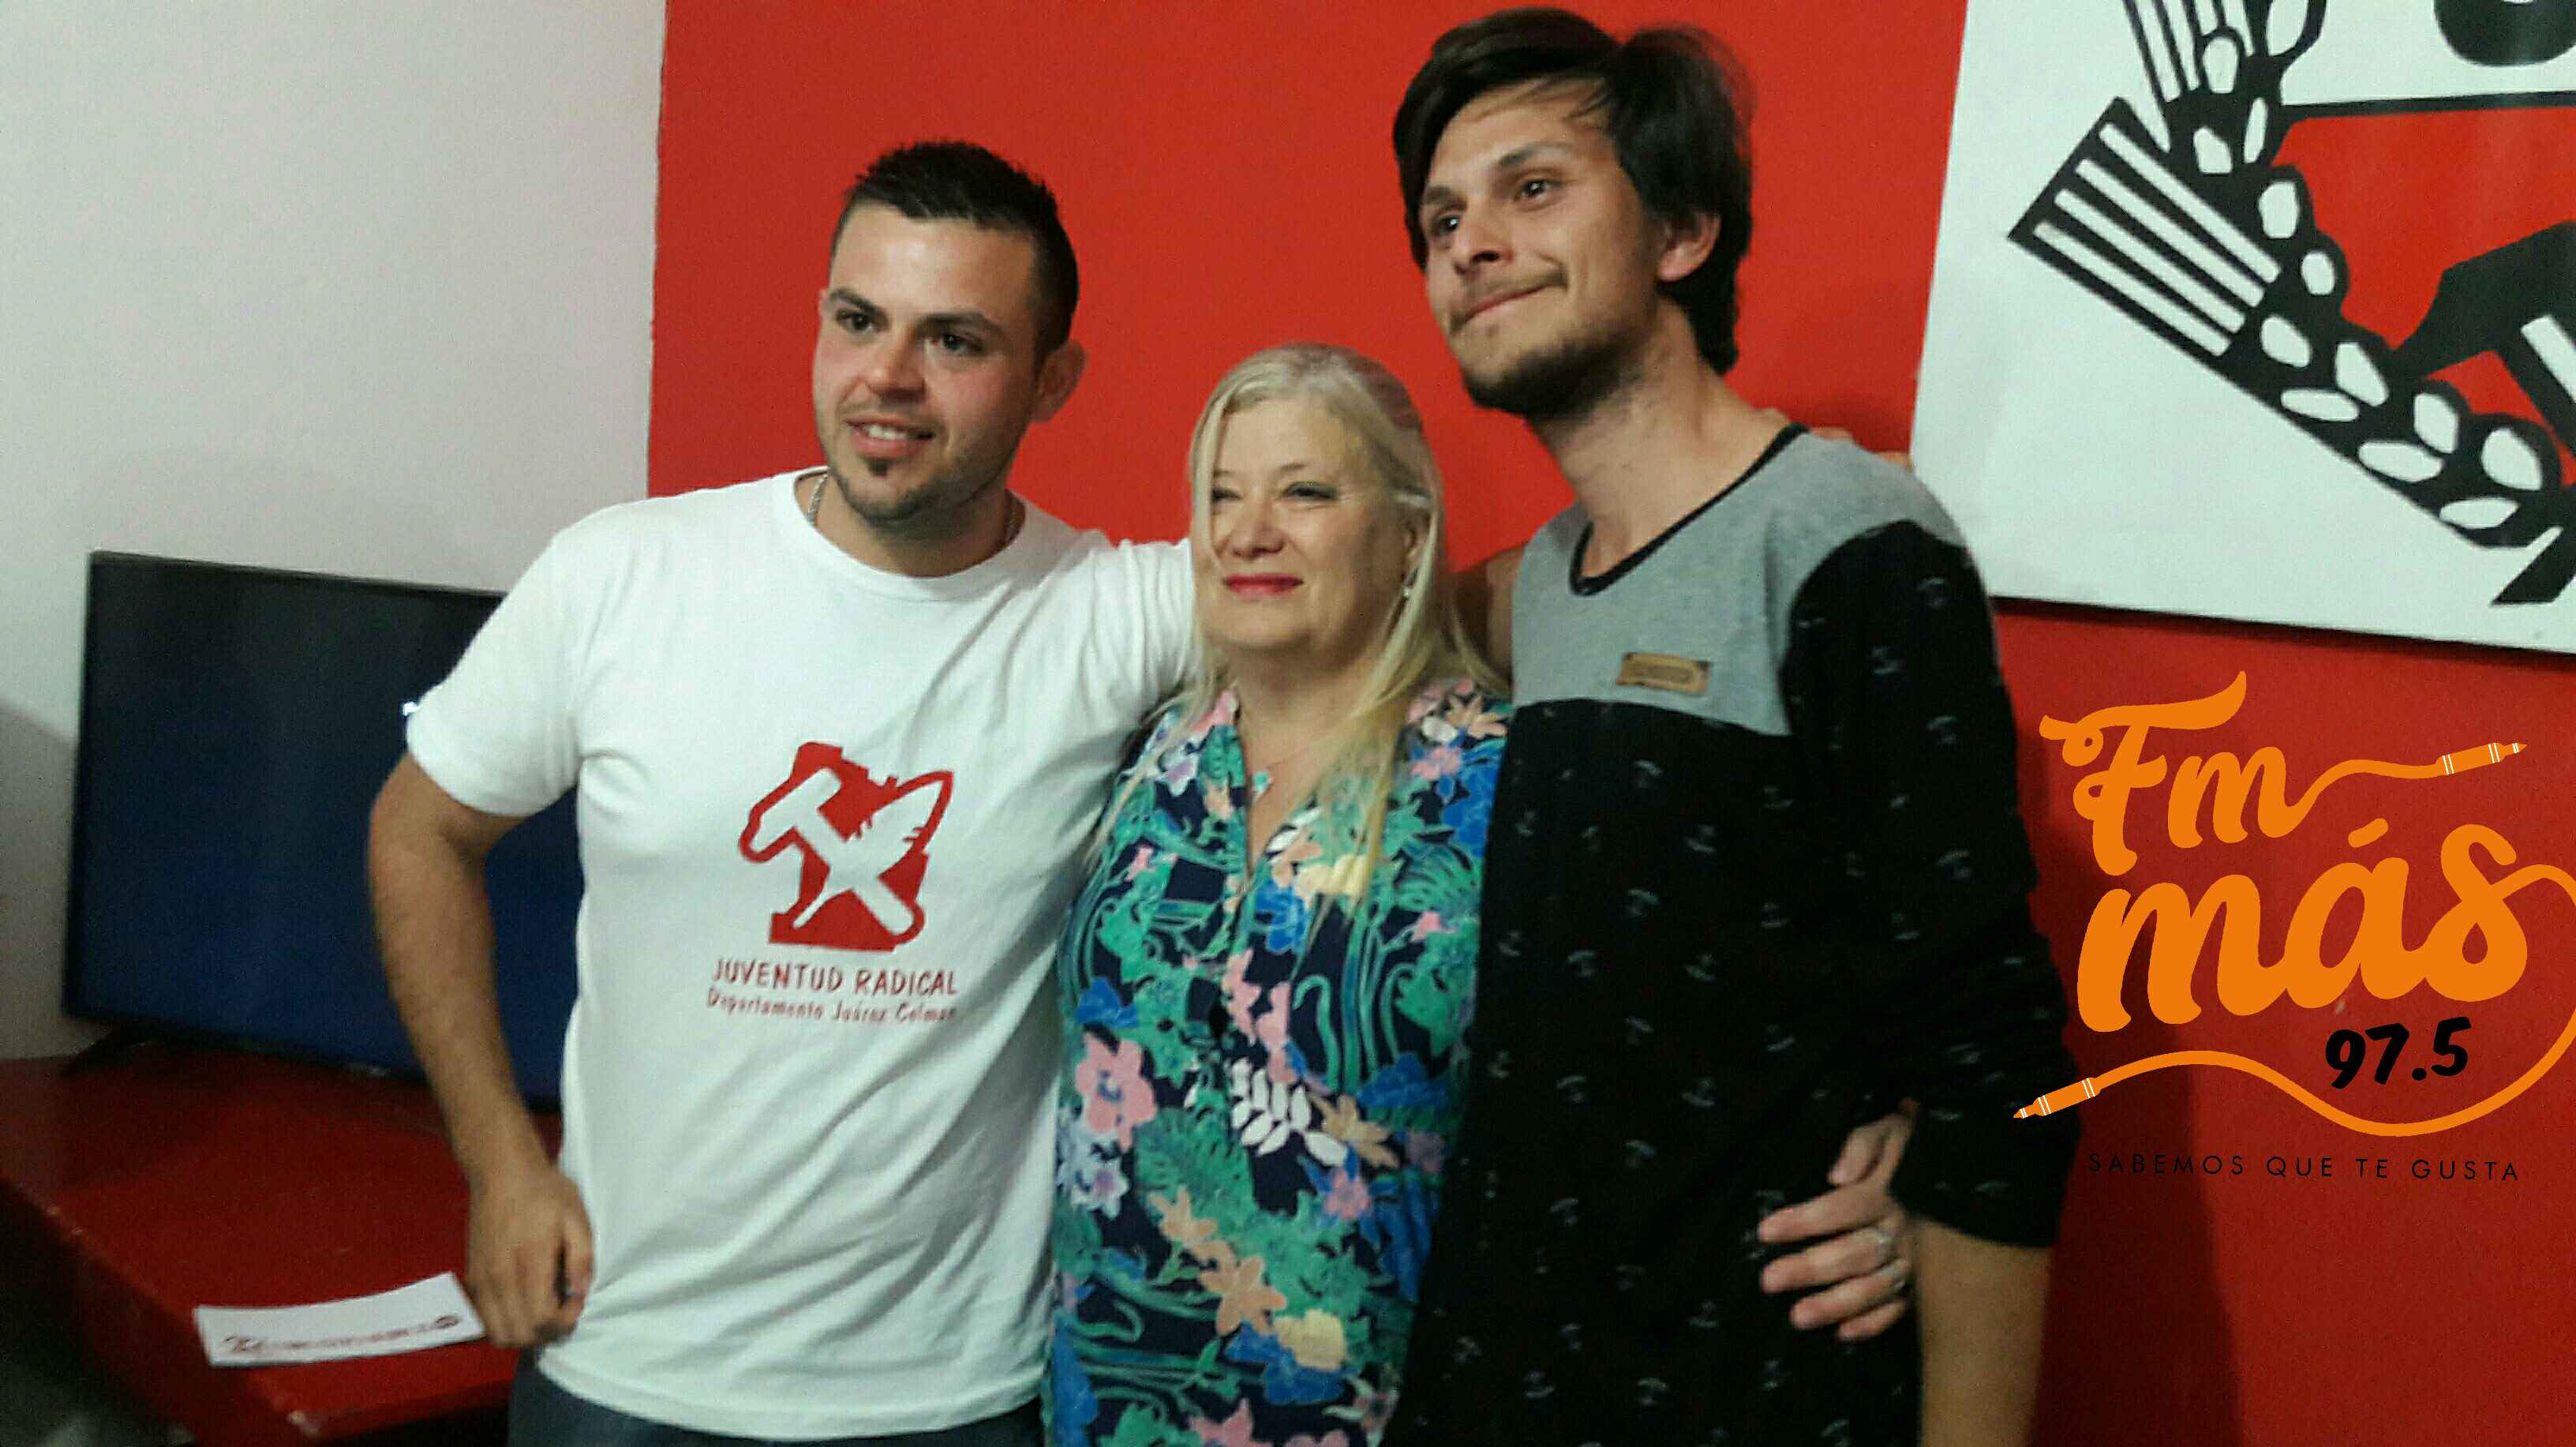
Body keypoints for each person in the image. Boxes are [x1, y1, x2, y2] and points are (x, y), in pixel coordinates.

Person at [370, 138, 1916, 1445]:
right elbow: (418, 828)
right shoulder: (623, 576)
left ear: (1053, 378)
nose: (888, 378)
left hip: (960, 1395)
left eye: (956, 341)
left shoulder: (1113, 612)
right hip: (627, 1364)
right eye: (857, 320)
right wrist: (499, 1158)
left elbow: (1425, 601)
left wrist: (1742, 508)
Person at [1381, 11, 2084, 1447]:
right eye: (1442, 220)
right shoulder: (1544, 583)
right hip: (1497, 1379)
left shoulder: (1850, 542)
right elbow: (1361, 622)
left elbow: (1996, 1063)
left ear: (1684, 230)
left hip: (1739, 1391)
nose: (1471, 246)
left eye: (1533, 189)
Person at [1044, 345, 1503, 1445]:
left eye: (1305, 492)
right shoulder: (1150, 760)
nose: (1248, 532)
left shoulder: (1495, 786)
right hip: (1102, 1410)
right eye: (1221, 495)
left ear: (1408, 533)